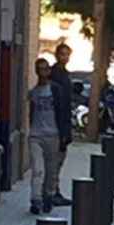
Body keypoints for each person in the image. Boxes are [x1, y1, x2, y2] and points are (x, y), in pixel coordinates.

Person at [28, 59, 68, 215]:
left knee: (51, 171)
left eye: (45, 69)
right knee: (38, 169)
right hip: (36, 136)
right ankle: (35, 199)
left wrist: (64, 135)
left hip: (53, 135)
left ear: (49, 71)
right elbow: (32, 113)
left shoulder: (56, 90)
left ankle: (48, 195)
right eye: (39, 69)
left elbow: (63, 112)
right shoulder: (33, 92)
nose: (42, 73)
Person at [49, 44, 74, 206]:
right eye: (62, 54)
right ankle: (52, 191)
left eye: (67, 54)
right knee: (55, 159)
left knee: (59, 158)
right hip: (57, 122)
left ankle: (54, 189)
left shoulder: (64, 74)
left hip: (64, 121)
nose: (65, 57)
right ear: (57, 55)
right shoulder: (55, 75)